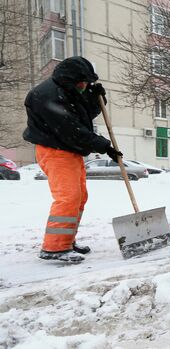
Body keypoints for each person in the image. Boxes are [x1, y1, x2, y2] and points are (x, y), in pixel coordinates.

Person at [23, 56, 122, 263]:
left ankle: (66, 239)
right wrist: (104, 146)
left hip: (69, 151)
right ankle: (54, 247)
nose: (85, 85)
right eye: (83, 82)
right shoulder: (47, 95)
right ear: (72, 78)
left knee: (79, 197)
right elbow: (72, 129)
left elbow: (83, 117)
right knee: (68, 197)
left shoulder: (67, 91)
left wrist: (96, 100)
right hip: (55, 151)